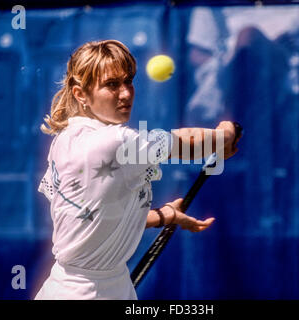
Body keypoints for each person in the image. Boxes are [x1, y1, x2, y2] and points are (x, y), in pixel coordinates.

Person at [34, 40, 239, 300]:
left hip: (104, 286)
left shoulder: (66, 138)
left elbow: (94, 220)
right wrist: (225, 134)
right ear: (80, 94)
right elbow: (188, 143)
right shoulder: (115, 142)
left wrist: (165, 216)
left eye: (128, 81)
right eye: (111, 84)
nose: (126, 93)